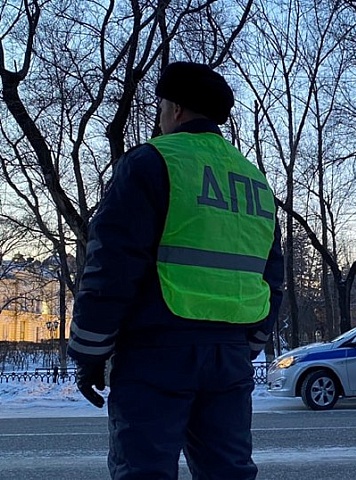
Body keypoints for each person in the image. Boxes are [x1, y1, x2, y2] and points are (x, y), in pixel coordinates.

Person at [67, 61, 284, 480]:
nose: (162, 117)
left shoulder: (151, 163)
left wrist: (90, 352)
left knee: (144, 471)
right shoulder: (254, 180)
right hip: (229, 356)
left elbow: (112, 267)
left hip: (157, 350)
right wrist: (251, 342)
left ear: (178, 110)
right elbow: (270, 274)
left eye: (163, 107)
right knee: (228, 472)